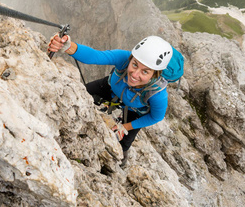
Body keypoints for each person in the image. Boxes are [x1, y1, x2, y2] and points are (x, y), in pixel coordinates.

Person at [48, 34, 173, 166]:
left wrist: (126, 126)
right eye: (135, 65)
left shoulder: (157, 94)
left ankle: (119, 164)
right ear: (131, 58)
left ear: (155, 75)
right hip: (111, 88)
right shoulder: (124, 58)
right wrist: (67, 46)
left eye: (145, 72)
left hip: (135, 110)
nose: (135, 74)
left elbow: (155, 117)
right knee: (79, 94)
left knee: (124, 143)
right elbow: (95, 56)